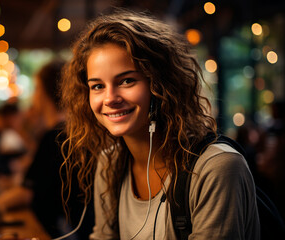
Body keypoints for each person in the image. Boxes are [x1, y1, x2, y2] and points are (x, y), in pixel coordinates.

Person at [59, 9, 260, 239]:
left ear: (160, 85)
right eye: (97, 86)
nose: (109, 98)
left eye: (127, 80)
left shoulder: (217, 168)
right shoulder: (110, 163)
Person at [0, 59, 94, 239]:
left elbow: (26, 193)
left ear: (47, 92)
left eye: (37, 88)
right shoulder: (74, 131)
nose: (34, 95)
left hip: (60, 233)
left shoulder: (56, 135)